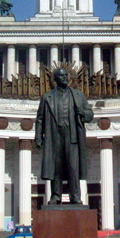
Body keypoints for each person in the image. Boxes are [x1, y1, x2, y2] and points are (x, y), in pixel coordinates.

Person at [34, 67, 94, 204]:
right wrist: (38, 137)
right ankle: (55, 196)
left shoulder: (78, 95)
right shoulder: (47, 97)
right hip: (54, 136)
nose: (65, 78)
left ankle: (75, 196)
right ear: (55, 79)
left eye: (66, 75)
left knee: (73, 167)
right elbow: (40, 119)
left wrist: (83, 114)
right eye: (61, 76)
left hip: (72, 136)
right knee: (56, 168)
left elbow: (90, 114)